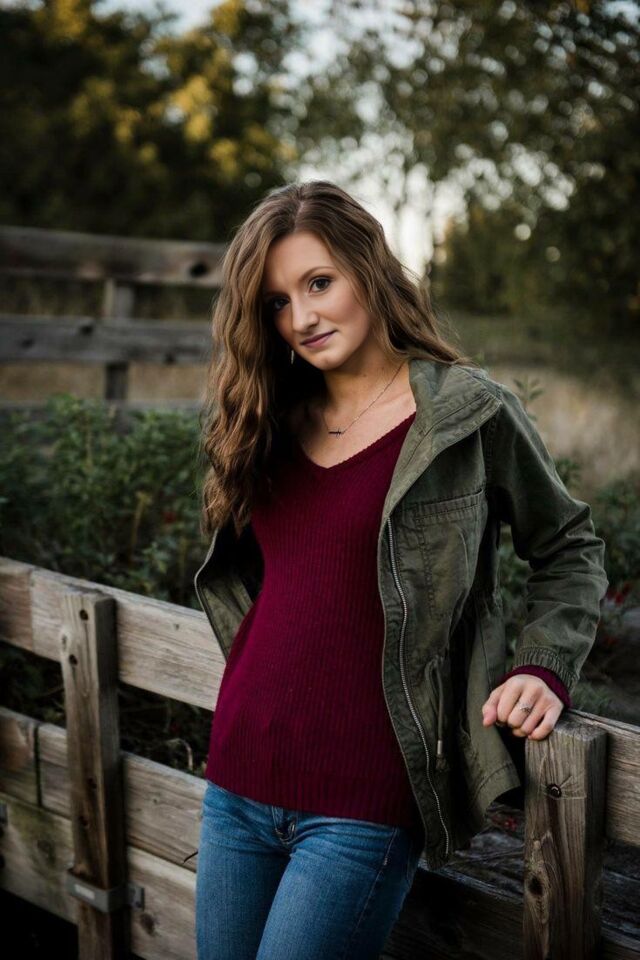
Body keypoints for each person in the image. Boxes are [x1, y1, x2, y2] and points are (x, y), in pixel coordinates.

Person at [191, 180, 608, 960]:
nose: (302, 317)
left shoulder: (467, 414)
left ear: (370, 268)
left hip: (362, 802)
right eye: (278, 302)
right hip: (238, 776)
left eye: (319, 283)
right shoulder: (268, 418)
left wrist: (544, 664)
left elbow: (570, 547)